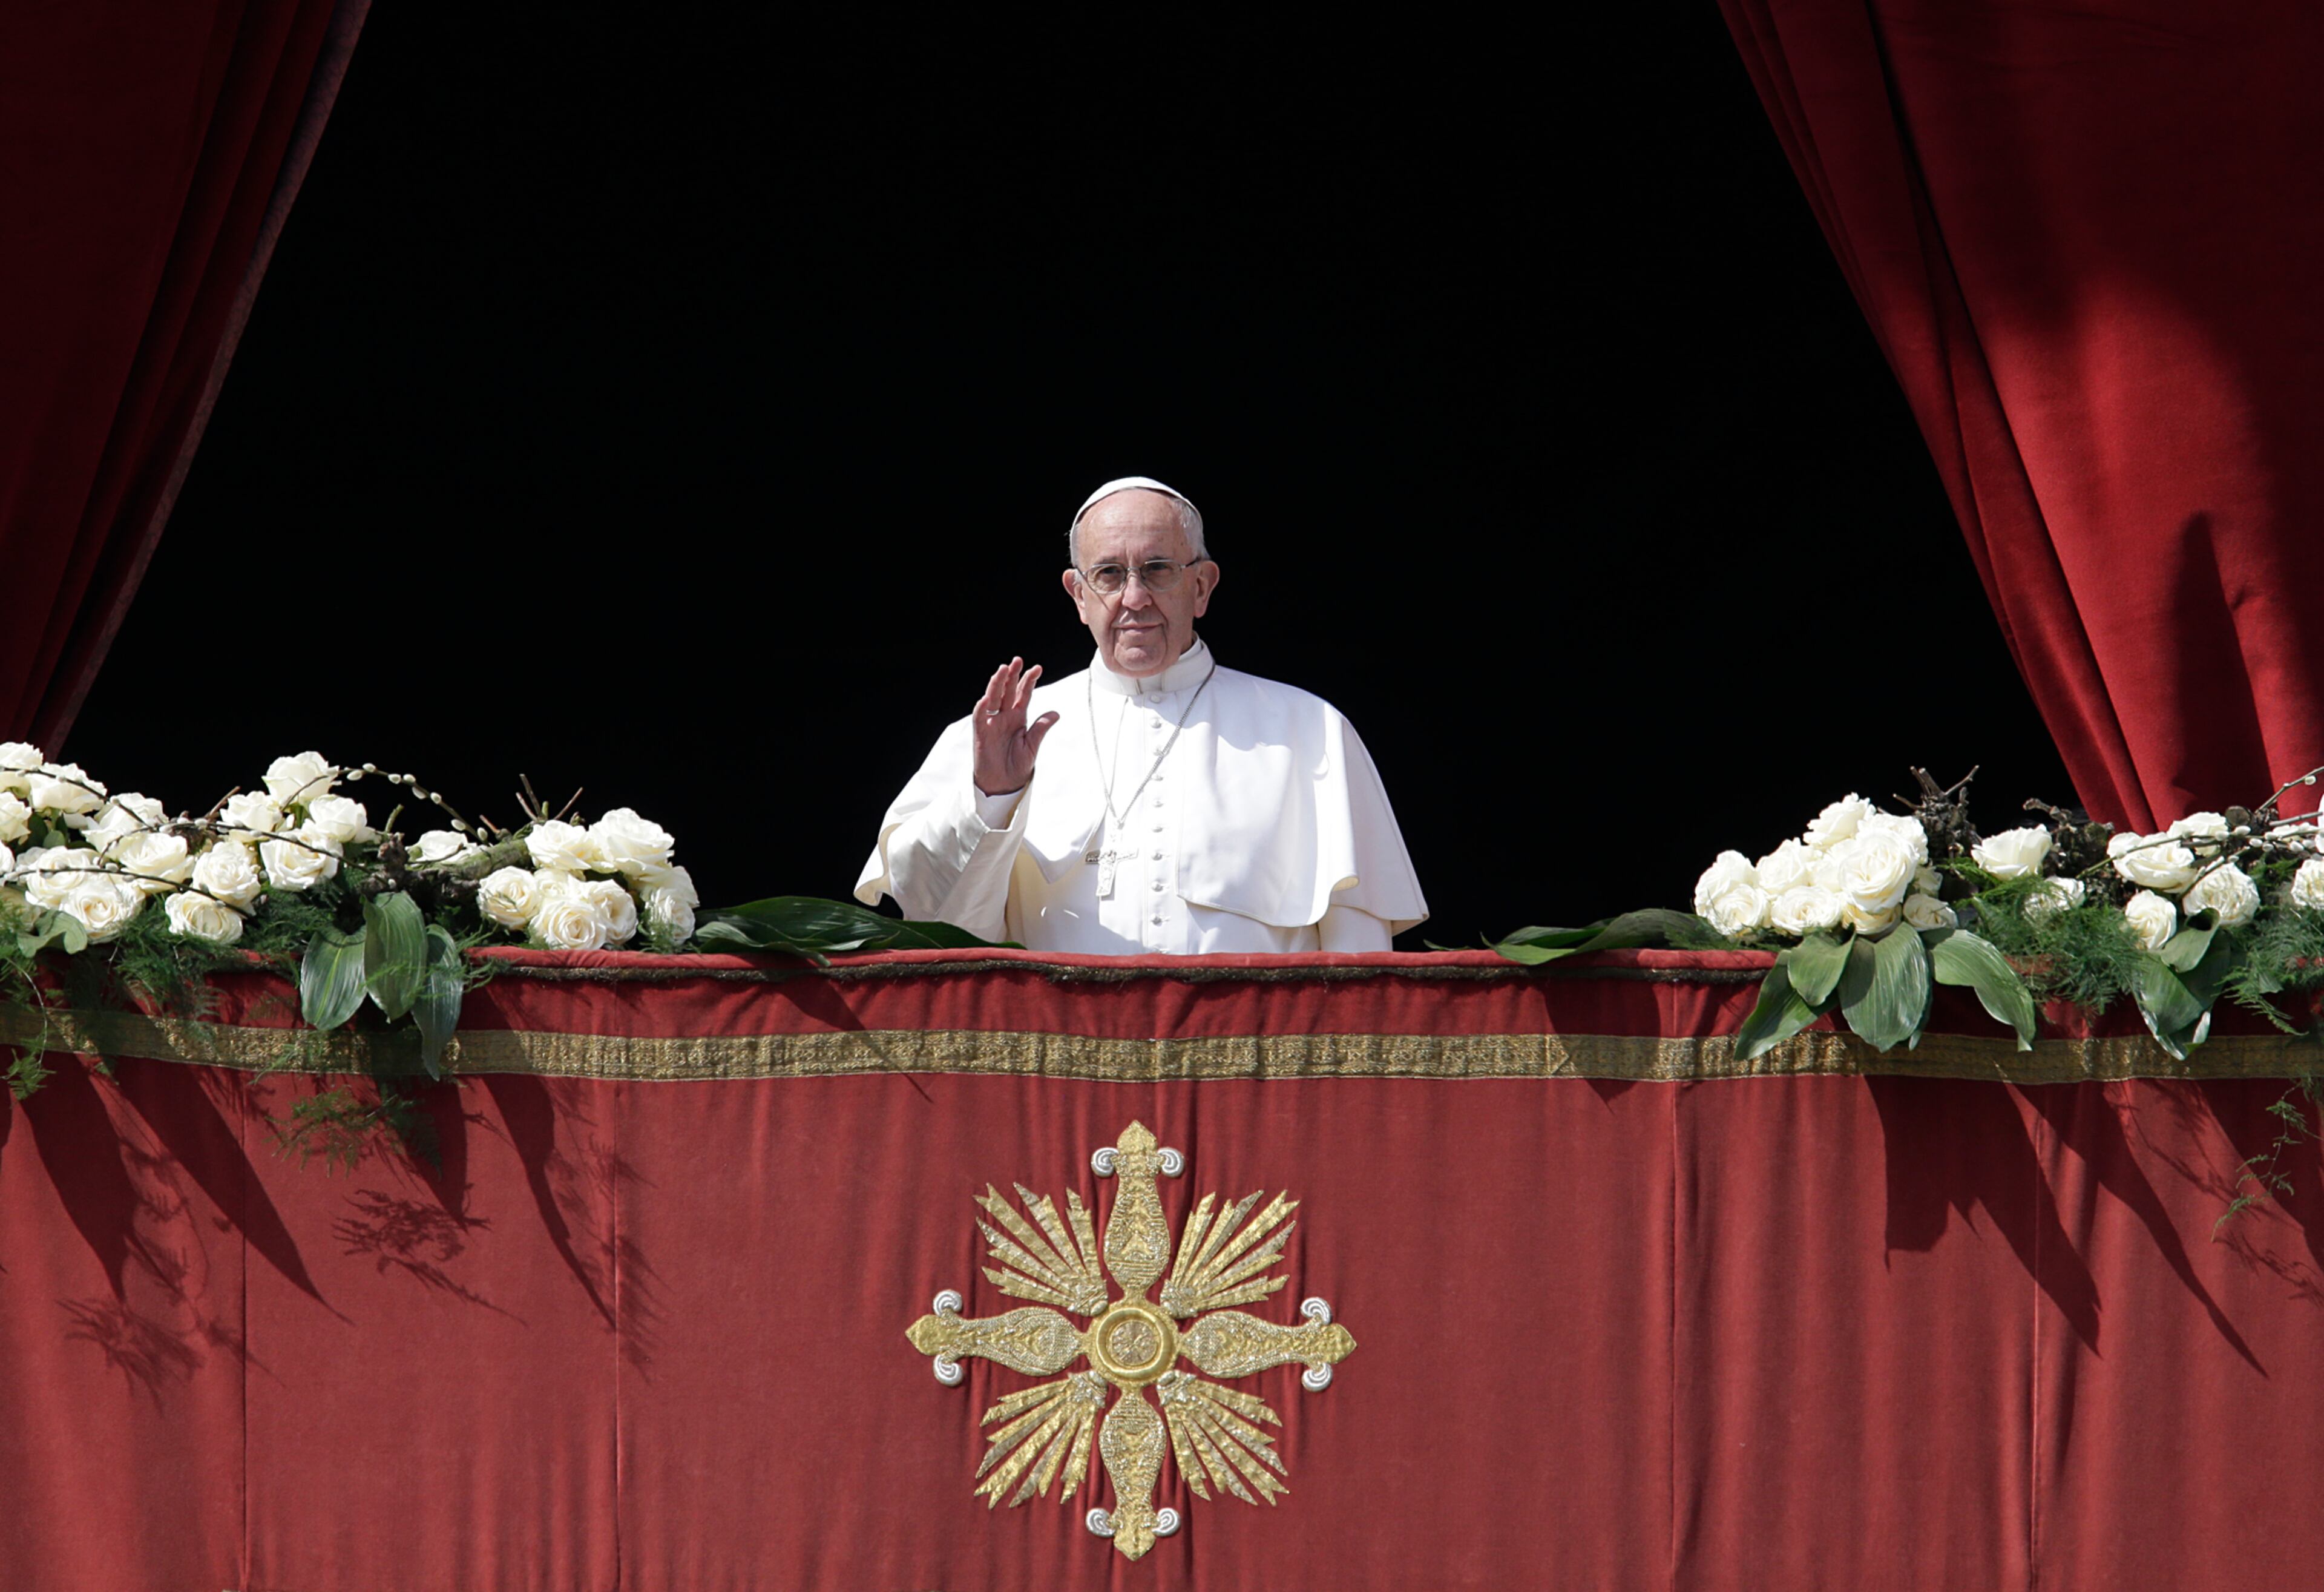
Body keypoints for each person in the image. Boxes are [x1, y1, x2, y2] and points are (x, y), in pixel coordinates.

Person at [855, 476, 1426, 953]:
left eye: (1157, 569)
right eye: (1108, 574)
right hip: (1063, 1072)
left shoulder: (1310, 731)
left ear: (1201, 587)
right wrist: (992, 797)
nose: (1133, 598)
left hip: (1249, 1074)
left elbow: (1359, 957)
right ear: (1079, 596)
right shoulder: (998, 738)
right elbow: (938, 928)